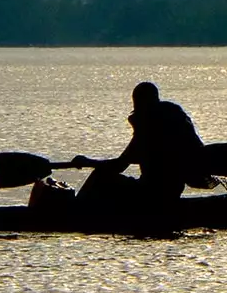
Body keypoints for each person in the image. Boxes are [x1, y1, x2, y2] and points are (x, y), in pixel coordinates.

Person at [71, 81, 212, 224]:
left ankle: (74, 213)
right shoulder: (175, 121)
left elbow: (119, 166)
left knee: (100, 175)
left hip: (150, 195)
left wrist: (87, 162)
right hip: (172, 192)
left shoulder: (149, 127)